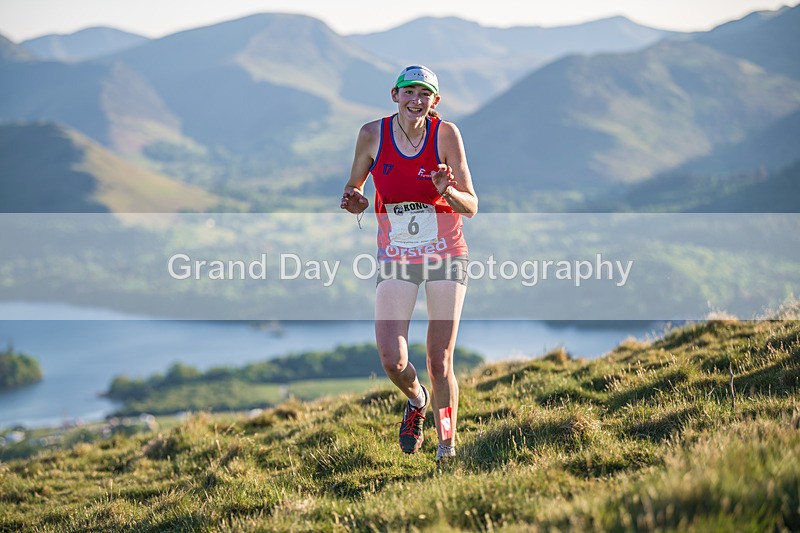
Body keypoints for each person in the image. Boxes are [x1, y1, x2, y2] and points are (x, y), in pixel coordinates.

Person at [340, 65, 478, 463]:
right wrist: (357, 203)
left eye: (425, 93)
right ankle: (417, 401)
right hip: (397, 255)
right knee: (392, 359)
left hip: (445, 251)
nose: (416, 100)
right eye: (409, 92)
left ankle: (447, 446)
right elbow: (354, 190)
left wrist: (446, 189)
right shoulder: (371, 134)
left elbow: (471, 206)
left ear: (435, 101)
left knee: (440, 359)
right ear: (394, 95)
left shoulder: (446, 134)